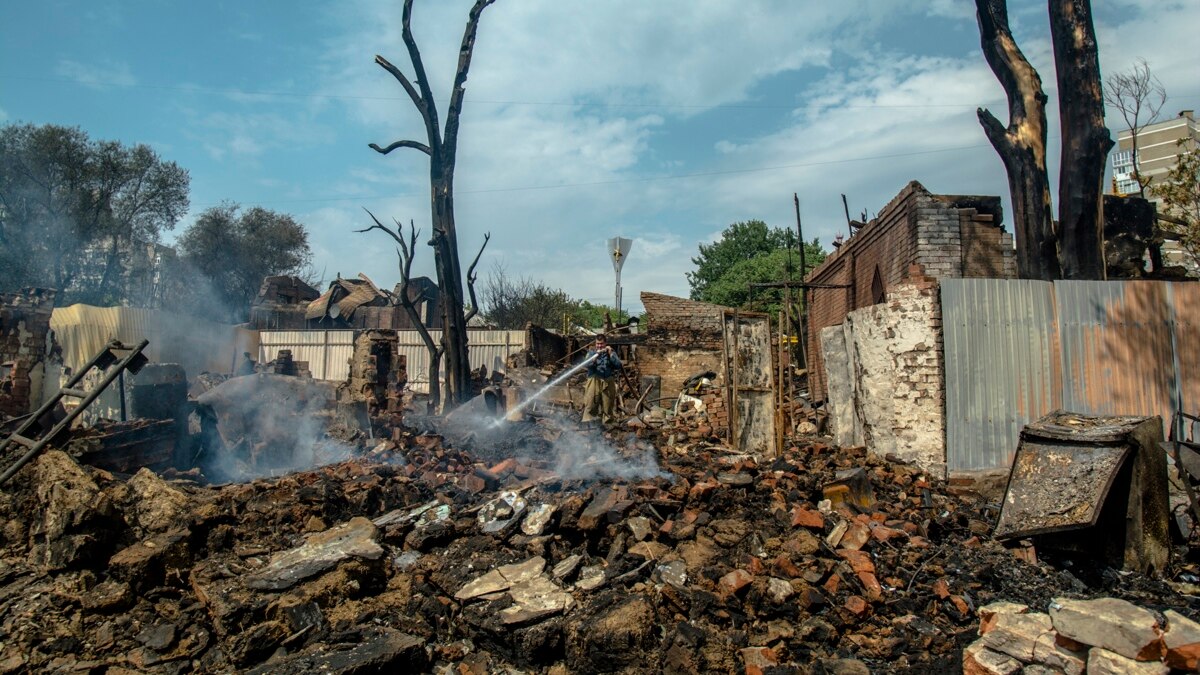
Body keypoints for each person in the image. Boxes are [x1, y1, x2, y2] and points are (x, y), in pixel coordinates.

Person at [581, 335, 622, 429]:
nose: (599, 346)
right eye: (597, 344)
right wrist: (595, 356)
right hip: (594, 380)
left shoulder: (611, 352)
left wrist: (610, 354)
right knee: (591, 403)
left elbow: (618, 365)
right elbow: (587, 364)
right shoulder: (591, 352)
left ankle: (608, 427)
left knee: (608, 405)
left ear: (605, 343)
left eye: (601, 344)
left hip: (608, 380)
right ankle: (589, 426)